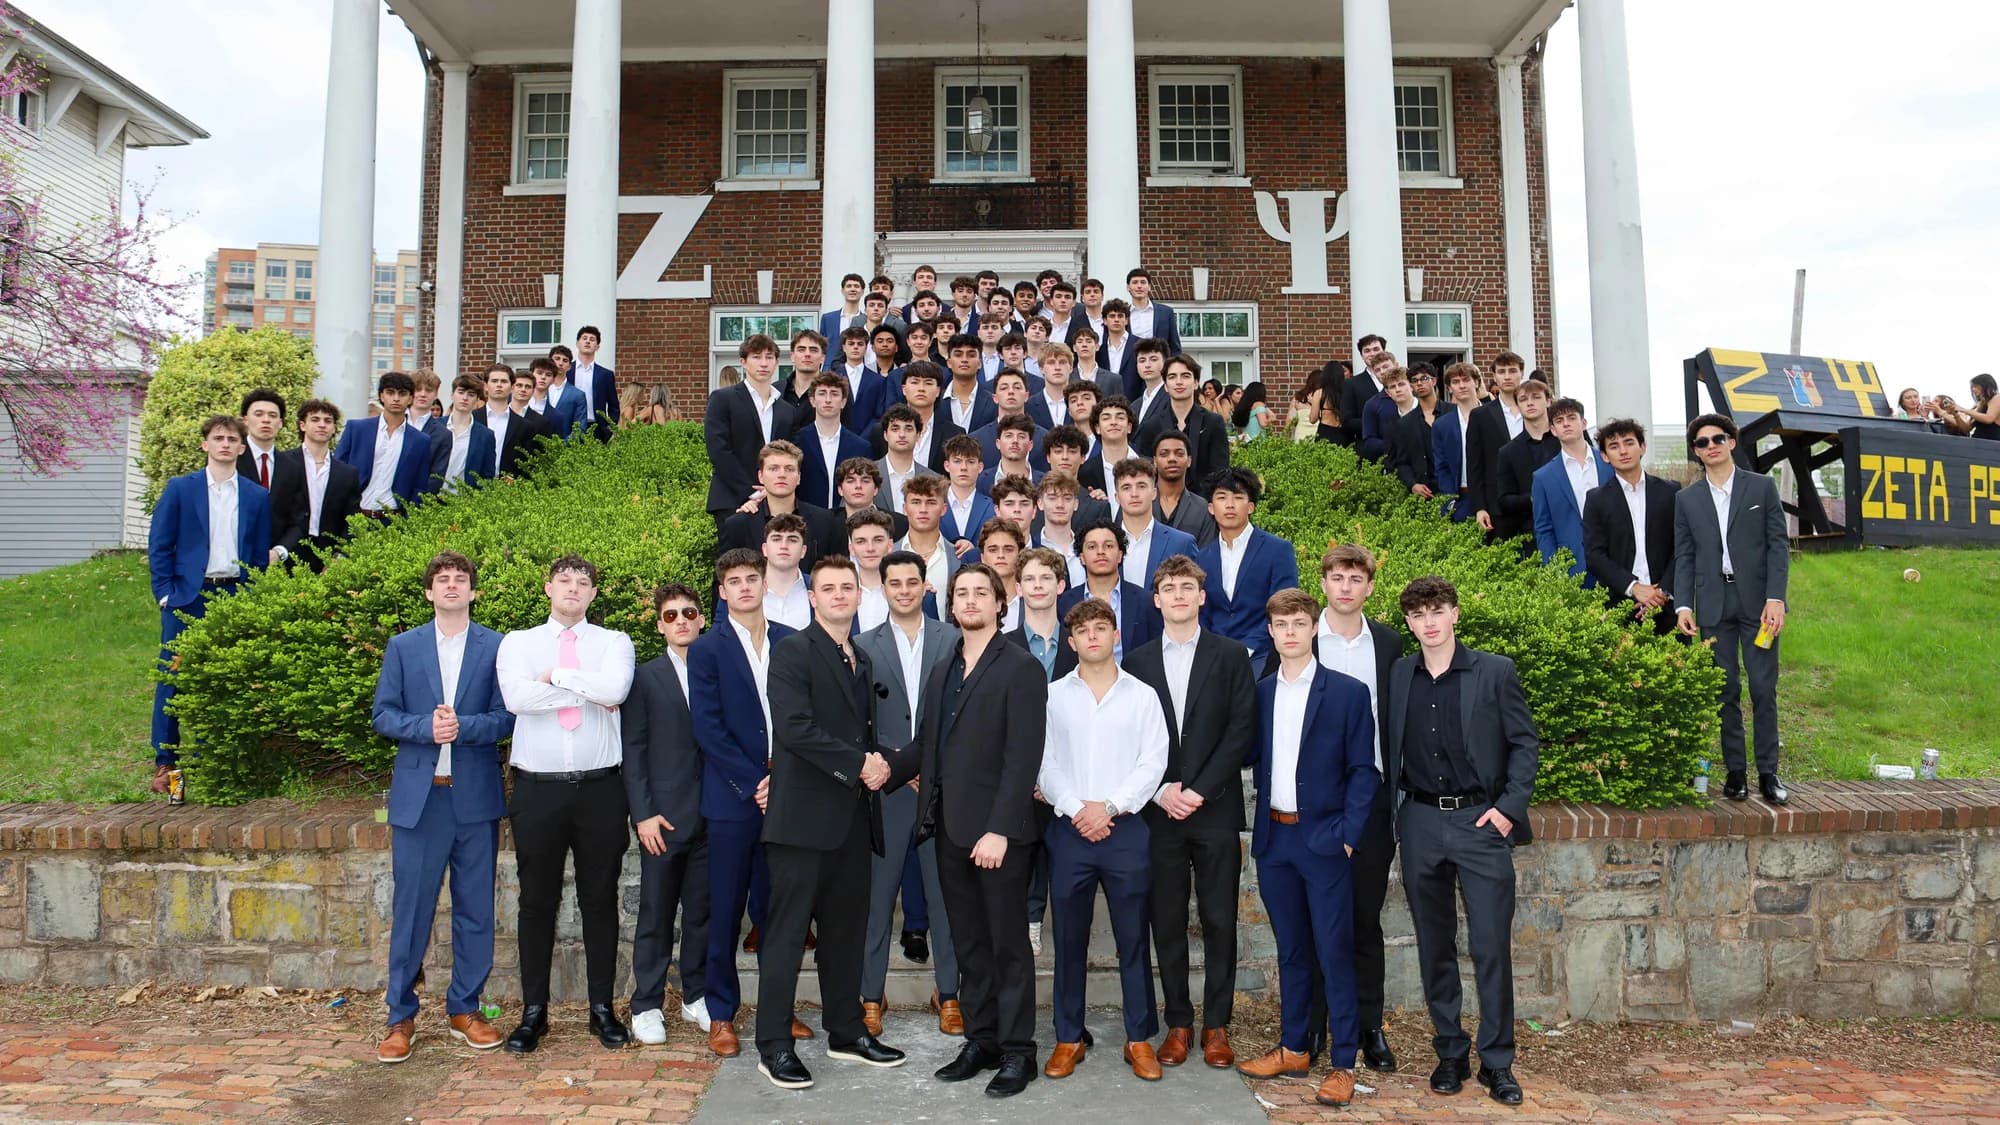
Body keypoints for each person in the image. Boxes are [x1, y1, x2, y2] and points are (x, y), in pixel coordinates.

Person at [884, 564, 1049, 1097]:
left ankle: (1019, 1052)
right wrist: (884, 768)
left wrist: (1000, 829)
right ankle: (982, 1040)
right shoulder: (943, 668)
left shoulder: (1021, 667)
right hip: (950, 830)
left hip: (999, 836)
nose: (971, 600)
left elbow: (1024, 756)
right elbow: (927, 743)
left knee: (1008, 947)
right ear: (951, 605)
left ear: (1001, 603)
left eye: (982, 592)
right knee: (969, 944)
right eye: (962, 593)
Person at [752, 556, 907, 1088]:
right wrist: (860, 763)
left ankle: (846, 1032)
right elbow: (795, 728)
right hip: (801, 823)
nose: (839, 594)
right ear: (812, 598)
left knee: (845, 935)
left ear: (861, 596)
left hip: (852, 820)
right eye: (828, 588)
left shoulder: (861, 658)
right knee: (786, 937)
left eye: (848, 587)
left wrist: (879, 761)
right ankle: (774, 1045)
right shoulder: (793, 651)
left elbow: (860, 733)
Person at [1384, 576, 1538, 1107]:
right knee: (1435, 944)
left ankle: (1498, 1062)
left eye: (1437, 611)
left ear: (1454, 614)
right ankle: (1450, 1051)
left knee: (1490, 946)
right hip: (1420, 821)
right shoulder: (1399, 675)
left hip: (1479, 821)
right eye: (1418, 614)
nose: (1428, 622)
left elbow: (1524, 743)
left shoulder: (1494, 671)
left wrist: (1508, 810)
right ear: (1408, 623)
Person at [1233, 588, 1377, 1108]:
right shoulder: (1262, 692)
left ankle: (1343, 1062)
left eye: (1298, 623)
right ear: (1270, 632)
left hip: (1324, 841)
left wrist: (1347, 836)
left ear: (1314, 628)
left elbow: (1364, 771)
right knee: (1292, 950)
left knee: (1334, 951)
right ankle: (1294, 1047)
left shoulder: (1347, 693)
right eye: (1281, 624)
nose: (1289, 632)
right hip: (1276, 840)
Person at [372, 551, 513, 1062]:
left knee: (475, 909)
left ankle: (465, 1009)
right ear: (430, 591)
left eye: (461, 579)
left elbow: (508, 716)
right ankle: (400, 1016)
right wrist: (424, 728)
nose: (452, 585)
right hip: (421, 800)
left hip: (473, 799)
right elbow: (383, 714)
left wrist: (464, 727)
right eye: (442, 579)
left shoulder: (497, 646)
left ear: (473, 591)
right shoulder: (403, 646)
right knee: (411, 910)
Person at [495, 556, 637, 1054]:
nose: (573, 588)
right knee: (537, 902)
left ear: (593, 594)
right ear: (548, 589)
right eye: (564, 581)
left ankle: (602, 1009)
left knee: (600, 900)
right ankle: (534, 1012)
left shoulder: (614, 642)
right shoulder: (518, 642)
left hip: (601, 790)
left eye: (583, 583)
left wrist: (554, 676)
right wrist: (585, 690)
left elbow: (616, 689)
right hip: (538, 791)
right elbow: (516, 700)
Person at [1125, 556, 1256, 1070]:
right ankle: (1178, 1023)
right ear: (1156, 600)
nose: (1178, 595)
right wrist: (1160, 790)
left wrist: (1199, 790)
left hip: (1215, 809)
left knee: (1220, 919)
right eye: (1169, 588)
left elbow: (1241, 730)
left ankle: (1216, 1025)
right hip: (1159, 812)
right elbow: (1129, 736)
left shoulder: (1231, 655)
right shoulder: (1136, 662)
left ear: (1202, 597)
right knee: (1167, 919)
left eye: (1187, 587)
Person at [1035, 597, 1169, 1082]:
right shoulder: (1052, 697)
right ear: (1071, 642)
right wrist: (1078, 809)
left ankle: (1139, 1039)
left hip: (1125, 829)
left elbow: (1153, 762)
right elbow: (1044, 761)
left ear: (1116, 635)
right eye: (1083, 630)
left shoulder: (1142, 696)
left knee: (1133, 939)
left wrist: (1109, 807)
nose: (1092, 636)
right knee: (1068, 941)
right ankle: (1068, 1038)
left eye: (1100, 628)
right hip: (1069, 830)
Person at [688, 549, 803, 1054]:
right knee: (726, 910)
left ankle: (779, 1011)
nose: (744, 587)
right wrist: (756, 781)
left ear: (764, 583)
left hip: (789, 793)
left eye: (751, 578)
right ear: (722, 592)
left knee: (780, 912)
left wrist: (783, 778)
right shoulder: (706, 650)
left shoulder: (791, 640)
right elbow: (708, 728)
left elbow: (804, 715)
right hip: (733, 800)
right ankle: (721, 1014)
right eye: (734, 581)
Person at [856, 550, 964, 1037]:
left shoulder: (953, 639)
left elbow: (962, 711)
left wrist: (930, 766)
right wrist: (898, 767)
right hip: (887, 789)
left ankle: (949, 993)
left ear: (926, 585)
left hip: (940, 788)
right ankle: (870, 995)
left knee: (944, 897)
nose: (904, 590)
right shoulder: (862, 645)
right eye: (894, 583)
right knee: (878, 899)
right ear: (883, 589)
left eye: (911, 581)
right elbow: (859, 721)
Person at [1313, 545, 1406, 1072]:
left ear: (1369, 587)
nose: (1345, 587)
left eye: (1355, 578)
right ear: (1323, 583)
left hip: (1370, 797)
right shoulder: (1303, 638)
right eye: (1337, 577)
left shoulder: (1389, 644)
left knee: (1365, 919)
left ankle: (1370, 1026)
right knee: (1316, 917)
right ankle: (1316, 1023)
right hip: (1314, 801)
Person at [1673, 413, 1792, 805]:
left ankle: (1769, 773)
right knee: (1725, 690)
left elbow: (1778, 546)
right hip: (1712, 604)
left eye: (1718, 438)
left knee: (1762, 689)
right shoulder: (1686, 499)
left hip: (1758, 605)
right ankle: (1736, 773)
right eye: (1702, 442)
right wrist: (1683, 605)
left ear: (1732, 442)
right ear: (1696, 451)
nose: (1711, 446)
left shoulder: (1761, 487)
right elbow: (1685, 556)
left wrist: (1776, 598)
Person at [148, 415, 272, 786]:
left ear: (242, 447)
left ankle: (210, 761)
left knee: (225, 678)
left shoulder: (256, 495)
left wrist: (252, 594)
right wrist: (165, 593)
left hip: (233, 595)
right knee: (173, 676)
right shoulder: (180, 489)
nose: (225, 444)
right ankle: (166, 761)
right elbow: (160, 544)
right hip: (187, 596)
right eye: (218, 438)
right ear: (205, 444)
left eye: (232, 439)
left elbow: (258, 553)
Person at [621, 583, 714, 1047]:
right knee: (656, 915)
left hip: (713, 817)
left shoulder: (719, 670)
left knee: (702, 913)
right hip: (663, 820)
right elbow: (633, 749)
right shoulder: (644, 678)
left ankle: (696, 996)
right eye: (671, 615)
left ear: (702, 620)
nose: (681, 621)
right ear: (660, 625)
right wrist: (644, 814)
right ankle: (646, 1004)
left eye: (689, 613)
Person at [1192, 468, 1299, 675]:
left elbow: (1284, 606)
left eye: (1238, 497)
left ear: (1250, 507)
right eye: (1222, 497)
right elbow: (1202, 612)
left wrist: (1247, 649)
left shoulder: (1278, 550)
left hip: (1262, 655)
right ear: (1211, 508)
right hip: (1213, 656)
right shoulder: (1202, 557)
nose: (1230, 505)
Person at [1584, 419, 1681, 635]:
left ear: (1642, 447)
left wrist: (1661, 592)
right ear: (1604, 456)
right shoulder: (1596, 499)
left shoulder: (1670, 492)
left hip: (1668, 604)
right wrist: (1634, 587)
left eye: (1629, 443)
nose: (1623, 451)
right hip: (1620, 603)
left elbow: (1681, 547)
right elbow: (1594, 554)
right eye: (1614, 446)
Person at [705, 334, 802, 527]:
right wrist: (751, 493)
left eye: (769, 357)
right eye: (756, 357)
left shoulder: (787, 410)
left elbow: (792, 455)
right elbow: (719, 451)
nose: (763, 363)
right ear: (743, 362)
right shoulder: (722, 399)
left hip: (776, 500)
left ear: (776, 362)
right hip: (731, 499)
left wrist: (771, 491)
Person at [269, 398, 362, 571]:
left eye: (328, 421)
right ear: (302, 425)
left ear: (334, 428)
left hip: (329, 555)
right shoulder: (282, 462)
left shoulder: (347, 473)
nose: (322, 425)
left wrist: (340, 556)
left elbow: (352, 520)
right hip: (286, 550)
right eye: (315, 419)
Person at [717, 441, 846, 562]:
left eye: (789, 469)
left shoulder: (824, 521)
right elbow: (725, 573)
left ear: (799, 477)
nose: (782, 475)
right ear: (760, 476)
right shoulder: (737, 525)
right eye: (773, 469)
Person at [1531, 397, 1614, 583]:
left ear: (1584, 423)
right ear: (1553, 430)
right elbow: (1543, 529)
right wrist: (1554, 569)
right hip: (1571, 568)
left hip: (1615, 564)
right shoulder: (1543, 477)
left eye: (1571, 418)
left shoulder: (1610, 464)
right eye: (1559, 421)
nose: (1566, 424)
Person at [1058, 521, 1163, 661]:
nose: (1100, 552)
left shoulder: (1145, 601)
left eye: (1108, 546)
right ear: (1082, 557)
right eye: (1092, 547)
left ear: (1120, 555)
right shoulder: (1065, 603)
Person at [335, 371, 433, 517]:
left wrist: (408, 518)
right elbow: (337, 470)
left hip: (394, 520)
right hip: (354, 516)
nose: (396, 398)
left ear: (410, 398)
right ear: (381, 396)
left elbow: (420, 486)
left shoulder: (420, 440)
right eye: (390, 392)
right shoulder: (356, 429)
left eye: (402, 393)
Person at [1137, 355, 1230, 491]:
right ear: (1165, 386)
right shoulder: (1151, 426)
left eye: (1185, 376)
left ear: (1196, 383)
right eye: (1172, 377)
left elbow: (1220, 472)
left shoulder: (1213, 422)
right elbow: (1147, 473)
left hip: (1204, 499)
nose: (1179, 382)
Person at [1112, 458, 1200, 589]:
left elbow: (1195, 590)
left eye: (1141, 486)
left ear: (1154, 493)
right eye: (1126, 488)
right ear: (1117, 497)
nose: (1134, 494)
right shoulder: (1103, 545)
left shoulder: (1182, 543)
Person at [1466, 352, 1528, 536]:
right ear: (1494, 376)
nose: (1507, 376)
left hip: (1533, 501)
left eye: (1512, 371)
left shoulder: (1536, 411)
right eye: (1501, 372)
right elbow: (1474, 466)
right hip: (1496, 506)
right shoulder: (1480, 416)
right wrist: (1479, 508)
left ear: (1521, 373)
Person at [1492, 376, 1558, 544]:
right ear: (1517, 406)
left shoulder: (1565, 441)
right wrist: (1534, 498)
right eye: (1523, 399)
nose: (1529, 403)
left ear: (1548, 401)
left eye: (1536, 397)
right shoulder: (1508, 452)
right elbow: (1504, 499)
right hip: (1531, 533)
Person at [795, 373, 872, 510]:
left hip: (847, 518)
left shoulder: (861, 447)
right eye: (822, 393)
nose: (828, 400)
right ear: (812, 401)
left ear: (843, 402)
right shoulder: (796, 442)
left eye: (834, 394)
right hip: (806, 518)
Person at [428, 374, 499, 494]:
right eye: (461, 392)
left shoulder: (486, 436)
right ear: (452, 395)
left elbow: (487, 477)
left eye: (471, 394)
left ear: (477, 400)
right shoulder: (433, 427)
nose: (465, 398)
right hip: (430, 497)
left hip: (464, 500)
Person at [1431, 362, 1483, 522]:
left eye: (1466, 380)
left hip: (1491, 496)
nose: (1461, 386)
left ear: (1476, 382)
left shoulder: (1494, 417)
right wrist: (1450, 501)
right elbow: (1442, 467)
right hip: (1460, 498)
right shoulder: (1442, 425)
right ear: (1449, 388)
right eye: (1455, 382)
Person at [1151, 431, 1218, 548]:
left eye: (1179, 454)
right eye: (1164, 454)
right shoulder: (1139, 501)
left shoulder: (1202, 508)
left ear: (1189, 461)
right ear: (1155, 461)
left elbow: (1206, 552)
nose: (1172, 459)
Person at [897, 474, 959, 596]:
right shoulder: (887, 554)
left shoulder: (958, 557)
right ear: (904, 508)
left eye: (931, 502)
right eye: (916, 502)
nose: (923, 509)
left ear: (943, 509)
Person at [873, 403, 939, 513]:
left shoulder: (934, 479)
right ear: (885, 435)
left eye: (908, 429)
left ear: (918, 435)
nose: (902, 434)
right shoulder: (867, 475)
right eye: (895, 429)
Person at [1390, 366, 1440, 499]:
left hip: (1454, 487)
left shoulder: (1453, 412)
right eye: (1414, 380)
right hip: (1425, 491)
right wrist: (1412, 484)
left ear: (1434, 381)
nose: (1419, 383)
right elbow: (1401, 462)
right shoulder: (1405, 423)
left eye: (1424, 378)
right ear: (1411, 386)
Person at [939, 435, 996, 551]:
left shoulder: (992, 508)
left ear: (980, 467)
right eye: (957, 461)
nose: (963, 467)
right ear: (947, 466)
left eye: (970, 461)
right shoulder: (932, 504)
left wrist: (974, 551)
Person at [760, 514, 813, 630]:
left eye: (792, 540)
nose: (784, 546)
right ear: (764, 549)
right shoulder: (745, 589)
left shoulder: (817, 588)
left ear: (803, 551)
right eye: (776, 539)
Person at [567, 325, 619, 439]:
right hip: (570, 426)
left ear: (597, 346)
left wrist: (609, 428)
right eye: (584, 338)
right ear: (577, 343)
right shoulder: (567, 371)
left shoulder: (605, 375)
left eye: (592, 339)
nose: (588, 342)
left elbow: (613, 405)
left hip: (596, 428)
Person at [1338, 335, 1389, 446]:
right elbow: (1347, 421)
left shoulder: (1401, 381)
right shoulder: (1351, 384)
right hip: (1369, 447)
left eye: (1376, 349)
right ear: (1362, 356)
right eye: (1367, 351)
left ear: (1384, 352)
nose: (1372, 354)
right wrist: (1377, 424)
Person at [1357, 358, 1412, 462]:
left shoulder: (1420, 401)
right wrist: (1394, 446)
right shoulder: (1372, 404)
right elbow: (1369, 441)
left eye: (1386, 367)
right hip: (1392, 461)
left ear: (1395, 365)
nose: (1382, 372)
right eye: (1377, 370)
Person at [1081, 397, 1138, 496]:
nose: (1113, 422)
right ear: (1097, 428)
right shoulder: (1085, 472)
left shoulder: (1151, 466)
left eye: (1120, 417)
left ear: (1129, 427)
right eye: (1106, 418)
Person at [237, 388, 286, 490]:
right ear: (245, 420)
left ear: (280, 423)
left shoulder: (291, 466)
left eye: (272, 415)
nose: (266, 420)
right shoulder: (230, 458)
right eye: (259, 414)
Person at [537, 353, 592, 442]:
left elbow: (580, 428)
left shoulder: (578, 395)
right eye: (557, 359)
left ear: (569, 366)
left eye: (565, 360)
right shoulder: (535, 390)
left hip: (564, 447)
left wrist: (562, 445)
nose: (560, 363)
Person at [820, 272, 867, 342]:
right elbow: (822, 345)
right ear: (842, 291)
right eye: (849, 286)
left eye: (856, 286)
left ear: (862, 292)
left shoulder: (866, 320)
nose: (852, 289)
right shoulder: (827, 319)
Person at [1287, 372, 1323, 443]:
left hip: (1300, 438)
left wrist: (1287, 441)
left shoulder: (1297, 399)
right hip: (1317, 438)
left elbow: (1289, 422)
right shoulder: (1323, 398)